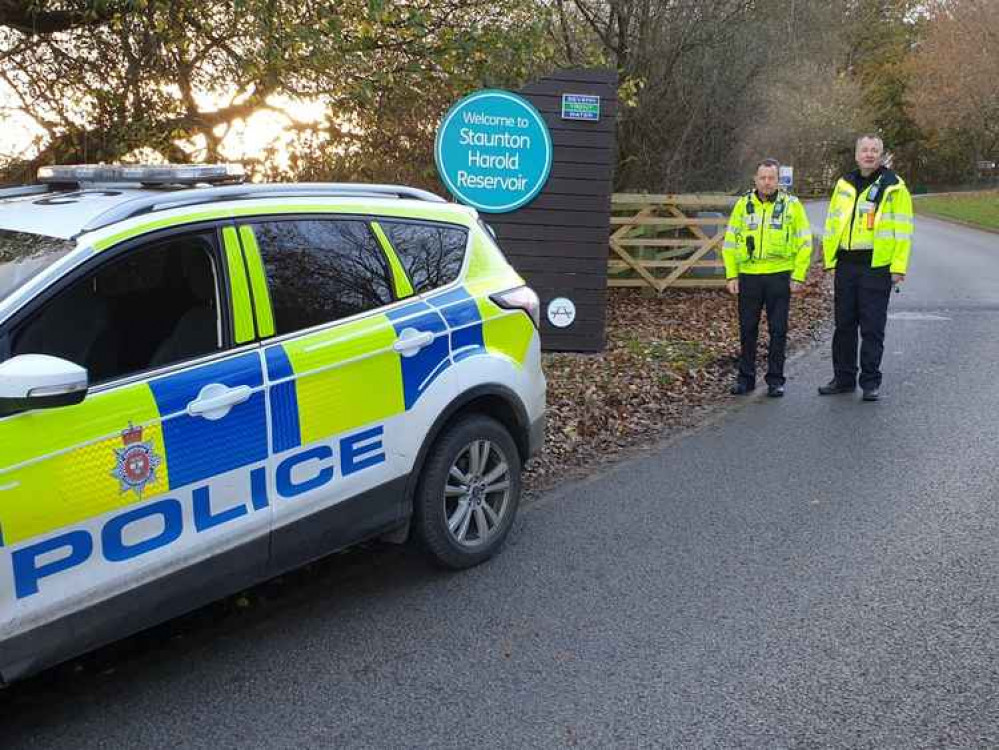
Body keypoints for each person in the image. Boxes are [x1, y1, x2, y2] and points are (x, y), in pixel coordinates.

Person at [818, 134, 913, 401]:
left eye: (874, 150)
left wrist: (898, 267)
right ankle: (844, 379)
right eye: (865, 150)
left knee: (872, 327)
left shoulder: (894, 187)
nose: (869, 154)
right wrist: (829, 260)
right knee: (844, 325)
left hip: (877, 267)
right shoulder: (844, 184)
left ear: (881, 155)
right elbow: (833, 223)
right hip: (846, 265)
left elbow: (904, 231)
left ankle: (870, 382)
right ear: (856, 155)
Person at [722, 158, 813, 398]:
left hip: (779, 275)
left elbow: (805, 242)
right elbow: (730, 243)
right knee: (747, 329)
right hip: (749, 276)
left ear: (778, 180)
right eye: (762, 177)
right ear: (755, 179)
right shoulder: (743, 205)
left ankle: (775, 380)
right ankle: (746, 379)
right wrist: (732, 274)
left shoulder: (792, 205)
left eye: (771, 177)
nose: (766, 182)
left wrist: (799, 275)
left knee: (778, 330)